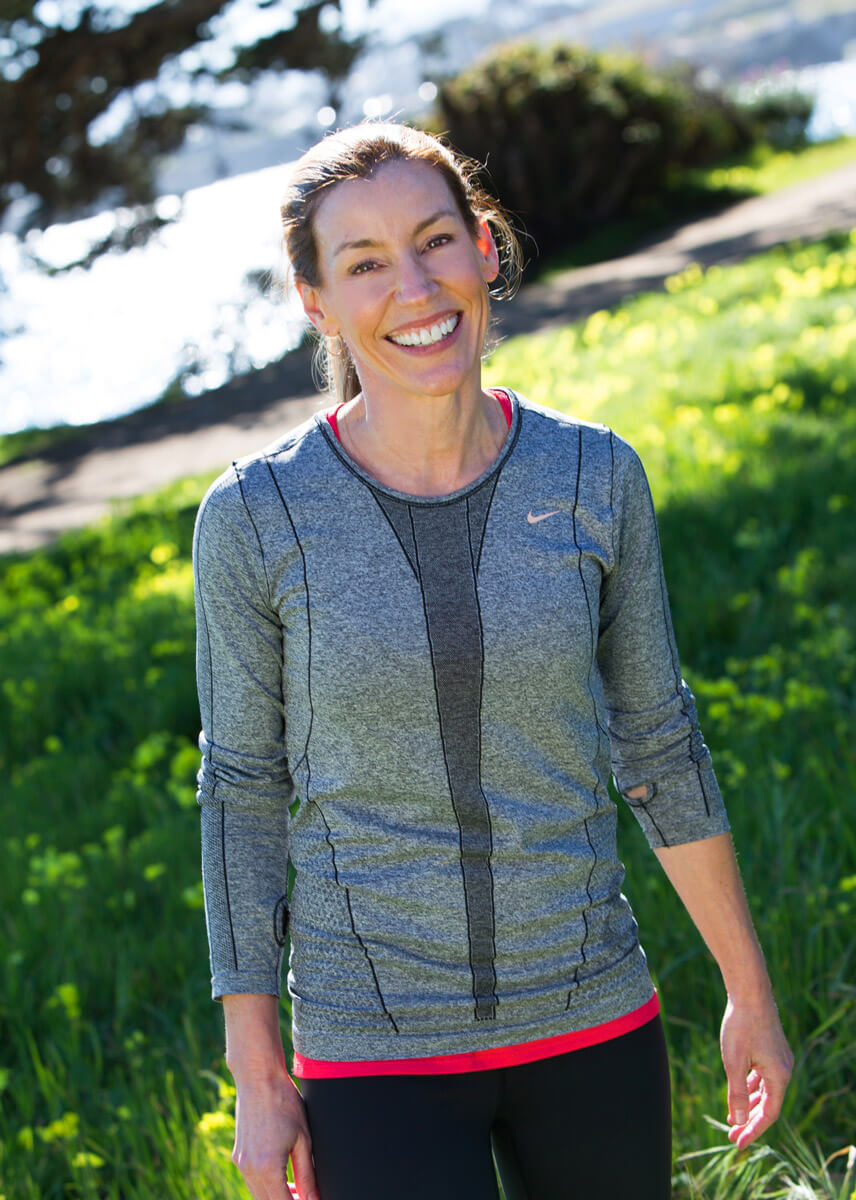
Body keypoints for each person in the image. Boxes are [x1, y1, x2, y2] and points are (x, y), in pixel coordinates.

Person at [192, 121, 793, 1200]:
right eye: (365, 264)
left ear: (483, 248)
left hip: (594, 1017)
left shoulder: (592, 475)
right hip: (371, 1050)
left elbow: (659, 739)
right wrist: (256, 1064)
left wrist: (746, 987)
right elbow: (242, 791)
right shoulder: (257, 517)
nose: (414, 290)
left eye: (434, 243)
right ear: (316, 301)